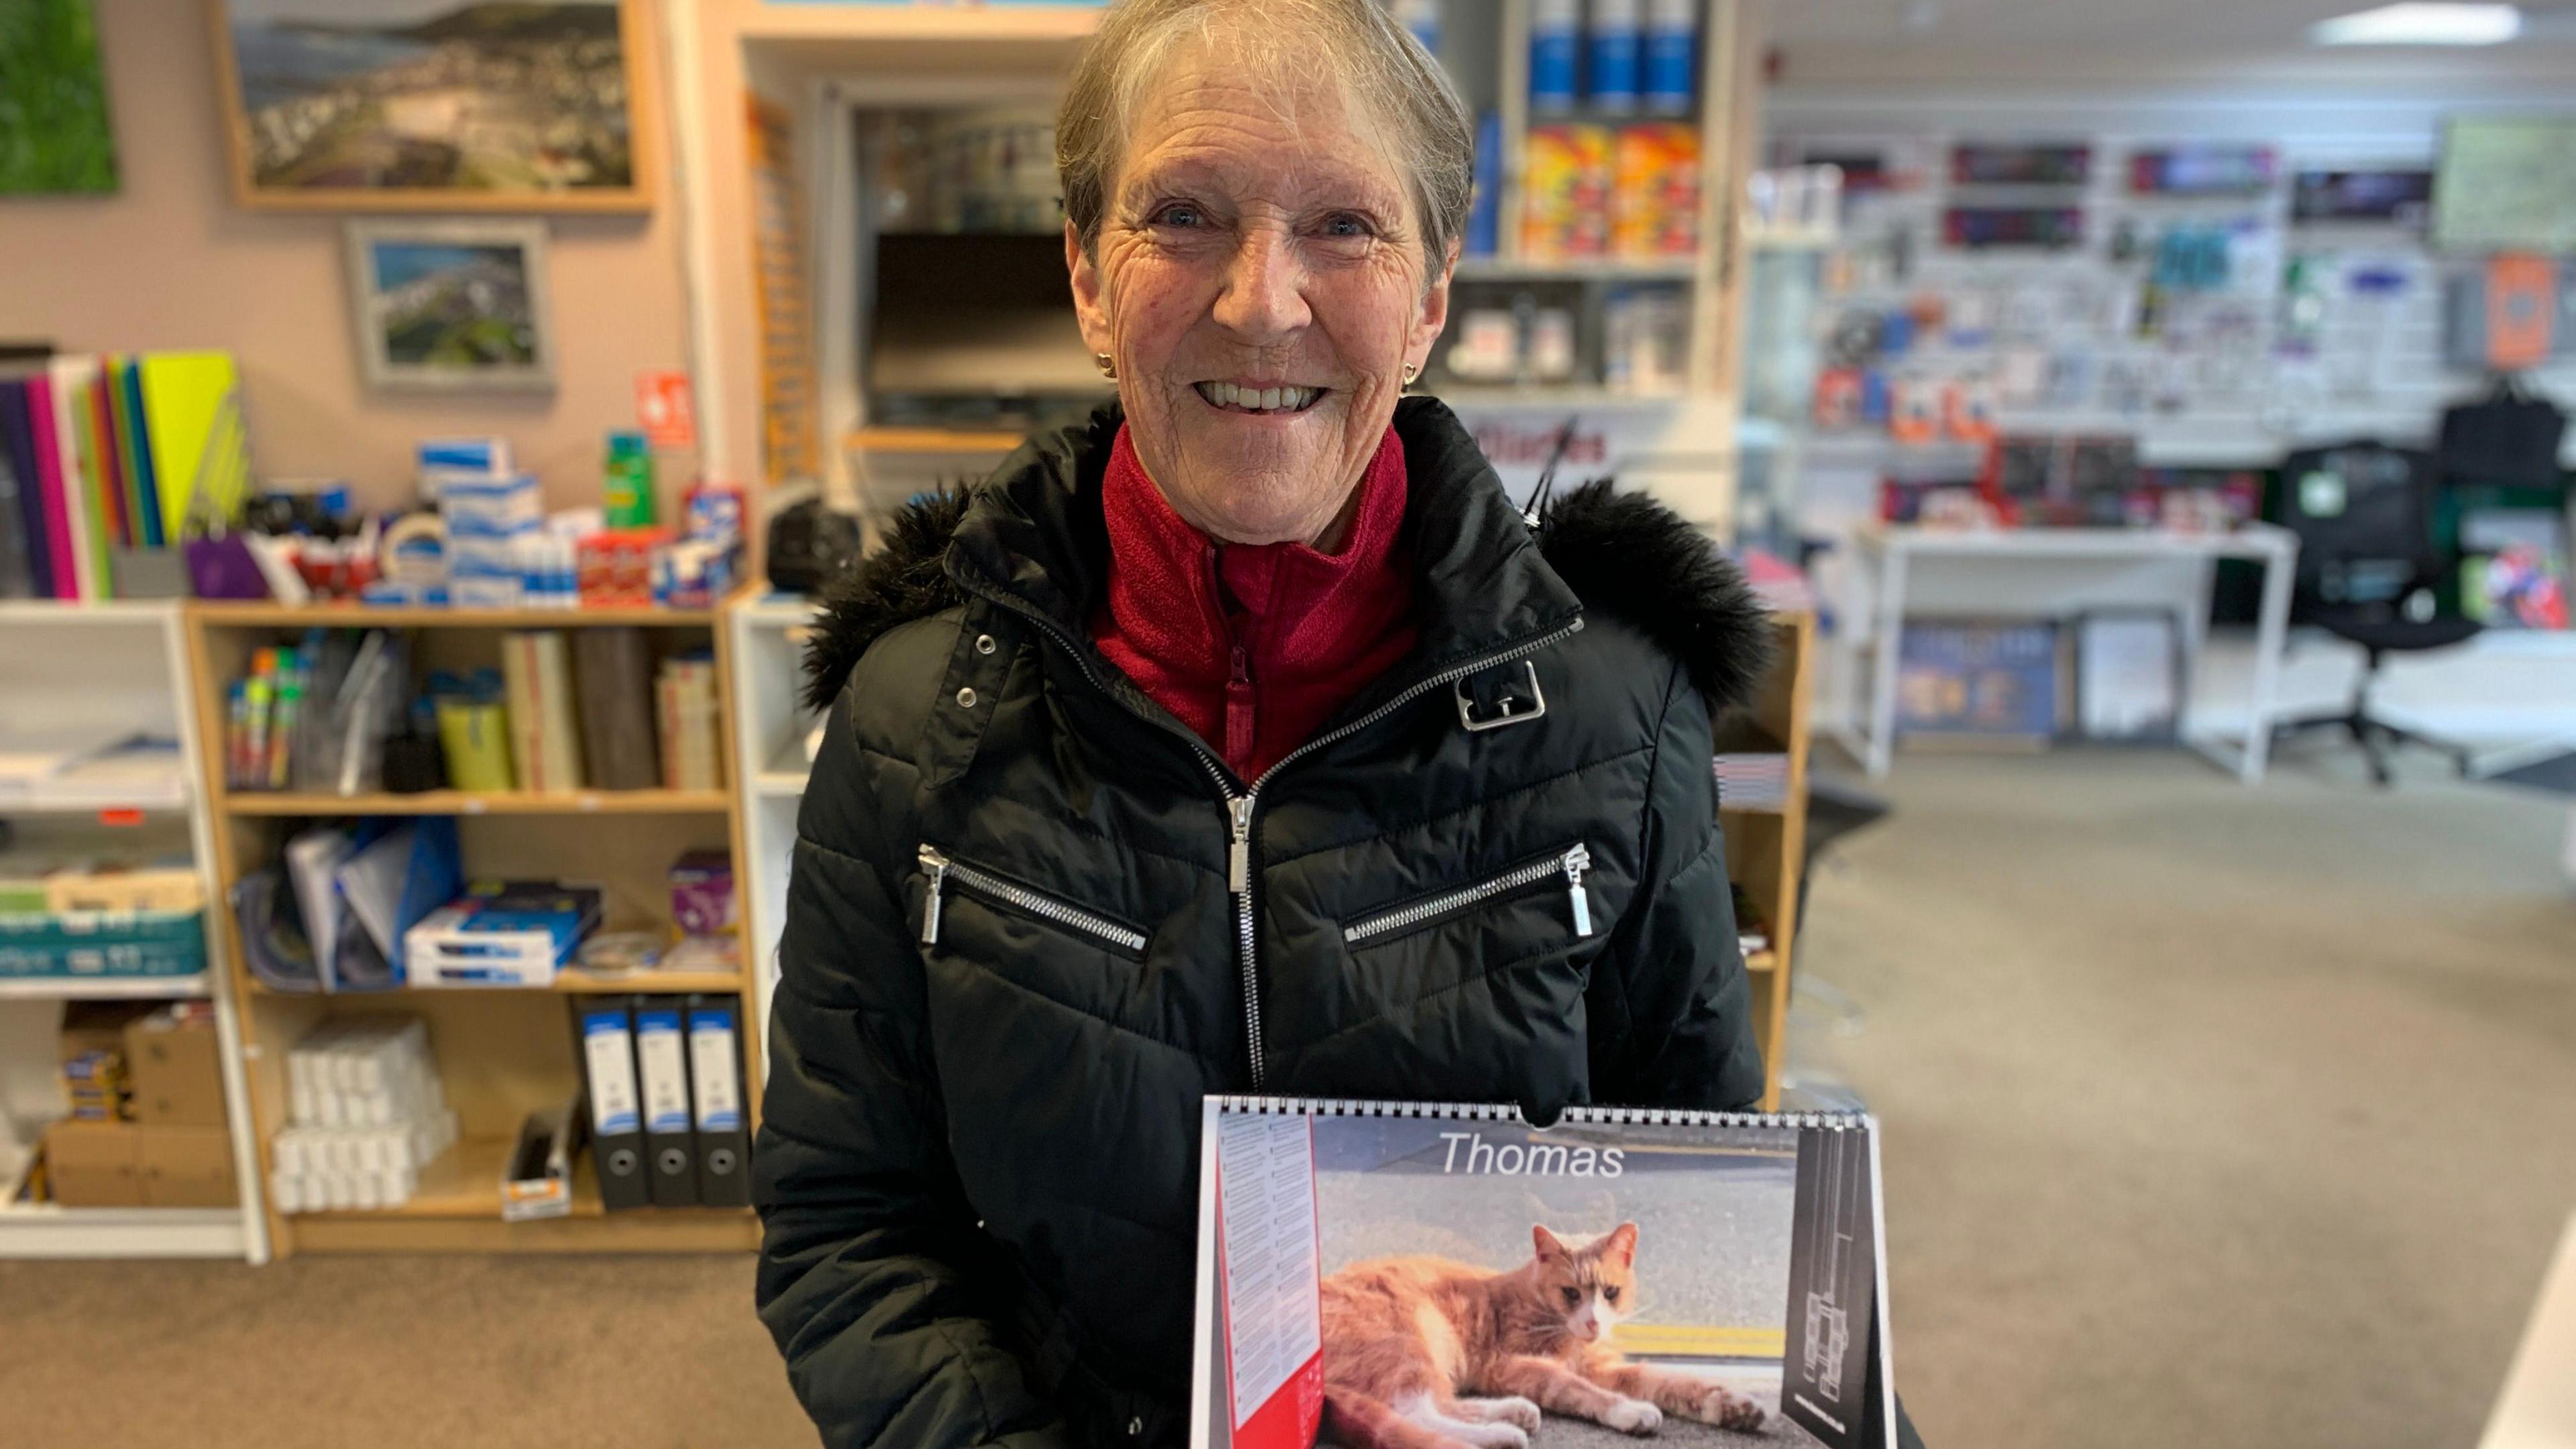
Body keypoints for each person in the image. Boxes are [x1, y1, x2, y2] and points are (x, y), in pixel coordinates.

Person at [754, 2, 1788, 1444]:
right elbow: (847, 1223)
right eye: (1181, 214)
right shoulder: (913, 719)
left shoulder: (1618, 709)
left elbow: (1705, 1175)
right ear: (1085, 279)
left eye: (1347, 227)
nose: (1260, 300)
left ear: (1431, 299)